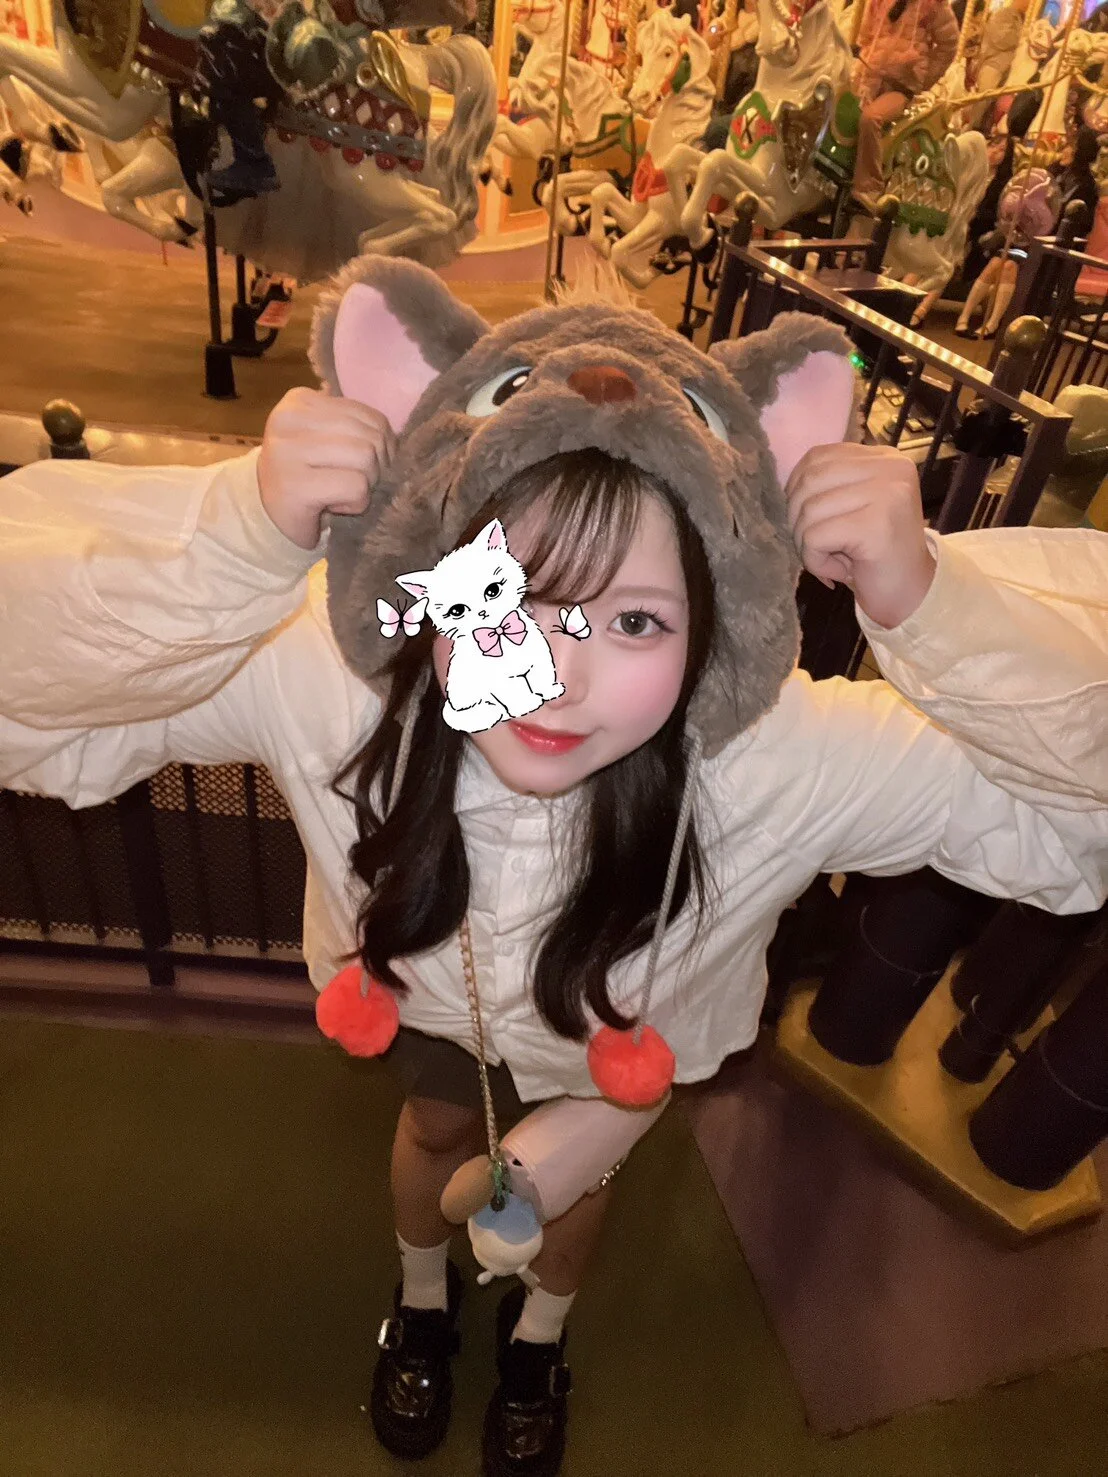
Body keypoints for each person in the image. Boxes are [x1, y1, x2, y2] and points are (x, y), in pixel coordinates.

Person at [1, 260, 1106, 1477]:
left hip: (619, 1051)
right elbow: (29, 695)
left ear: (714, 626)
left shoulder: (779, 756)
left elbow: (1073, 823)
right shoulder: (331, 680)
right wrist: (233, 538)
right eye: (506, 594)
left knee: (572, 1192)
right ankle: (423, 1300)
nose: (550, 677)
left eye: (633, 621)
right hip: (429, 1005)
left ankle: (537, 1343)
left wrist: (939, 610)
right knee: (436, 1132)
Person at [851, 0, 960, 212]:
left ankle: (870, 186)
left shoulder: (932, 6)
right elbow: (866, 33)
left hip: (900, 86)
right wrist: (865, 56)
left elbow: (949, 45)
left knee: (871, 118)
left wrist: (923, 77)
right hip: (869, 75)